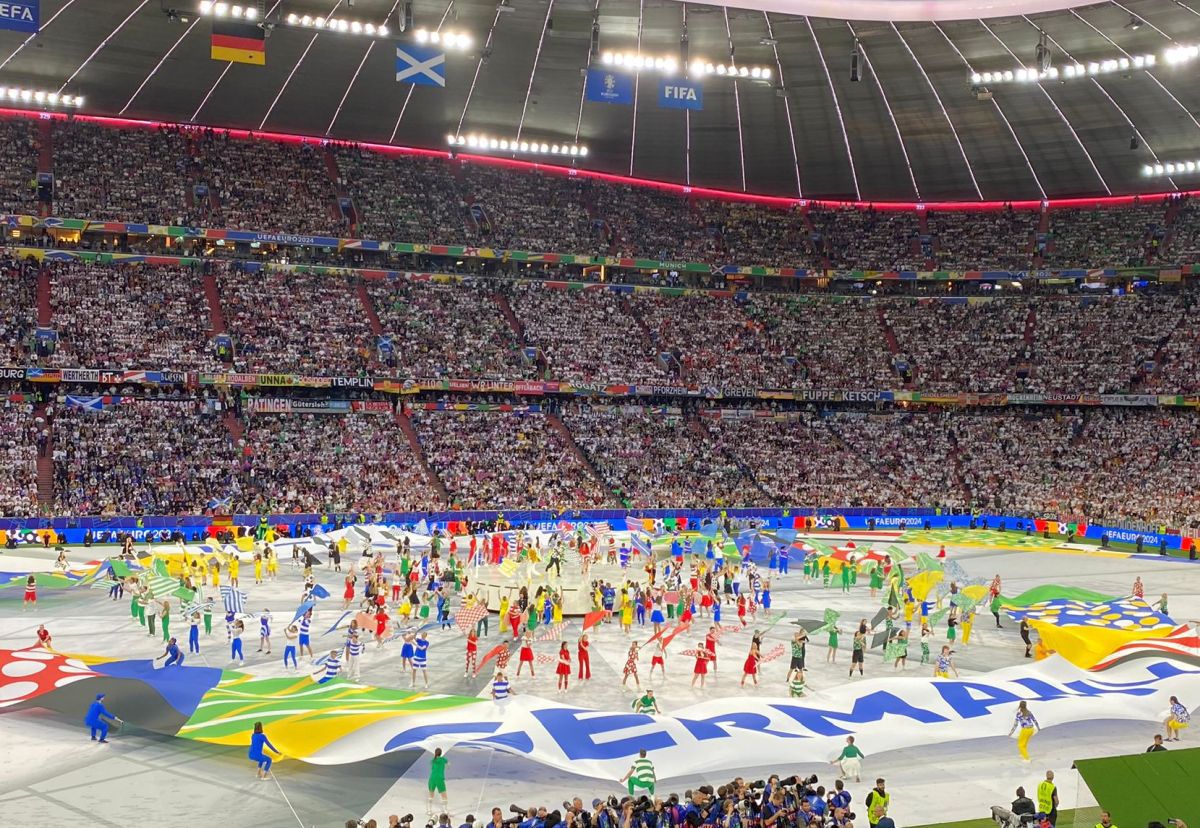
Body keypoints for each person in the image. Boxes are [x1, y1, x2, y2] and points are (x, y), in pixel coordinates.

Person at [427, 747, 449, 815]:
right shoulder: (443, 759)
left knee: (431, 795)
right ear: (441, 753)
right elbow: (448, 764)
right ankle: (445, 810)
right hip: (439, 779)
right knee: (444, 795)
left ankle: (429, 810)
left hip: (432, 779)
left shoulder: (432, 760)